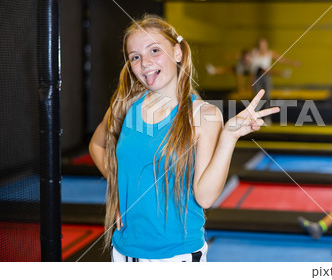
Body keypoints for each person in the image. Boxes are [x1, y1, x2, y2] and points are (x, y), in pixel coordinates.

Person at [89, 14, 279, 262]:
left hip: (177, 257)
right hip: (123, 252)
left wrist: (228, 138)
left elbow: (205, 197)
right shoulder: (124, 106)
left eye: (154, 50)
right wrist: (118, 187)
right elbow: (96, 145)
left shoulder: (204, 115)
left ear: (177, 53)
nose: (144, 62)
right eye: (135, 56)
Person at [250, 38, 301, 118]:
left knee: (267, 97)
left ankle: (267, 117)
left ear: (266, 45)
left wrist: (293, 63)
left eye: (264, 45)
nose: (262, 46)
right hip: (257, 77)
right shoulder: (254, 52)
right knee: (256, 97)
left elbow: (282, 60)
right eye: (261, 45)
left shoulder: (269, 53)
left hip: (266, 76)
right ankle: (255, 116)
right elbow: (249, 64)